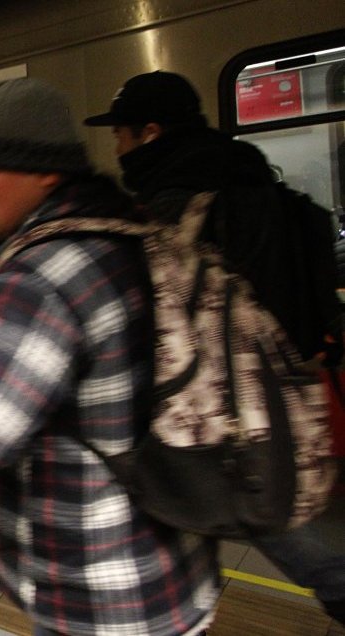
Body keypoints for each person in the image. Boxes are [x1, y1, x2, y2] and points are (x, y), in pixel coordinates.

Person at [0, 78, 220, 636]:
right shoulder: (133, 232)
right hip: (172, 570)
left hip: (100, 595)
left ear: (44, 171)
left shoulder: (41, 270)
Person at [85, 69, 345, 625]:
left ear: (150, 132)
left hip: (219, 415)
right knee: (277, 526)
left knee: (275, 533)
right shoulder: (255, 181)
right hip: (283, 396)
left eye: (122, 134)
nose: (117, 146)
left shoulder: (176, 206)